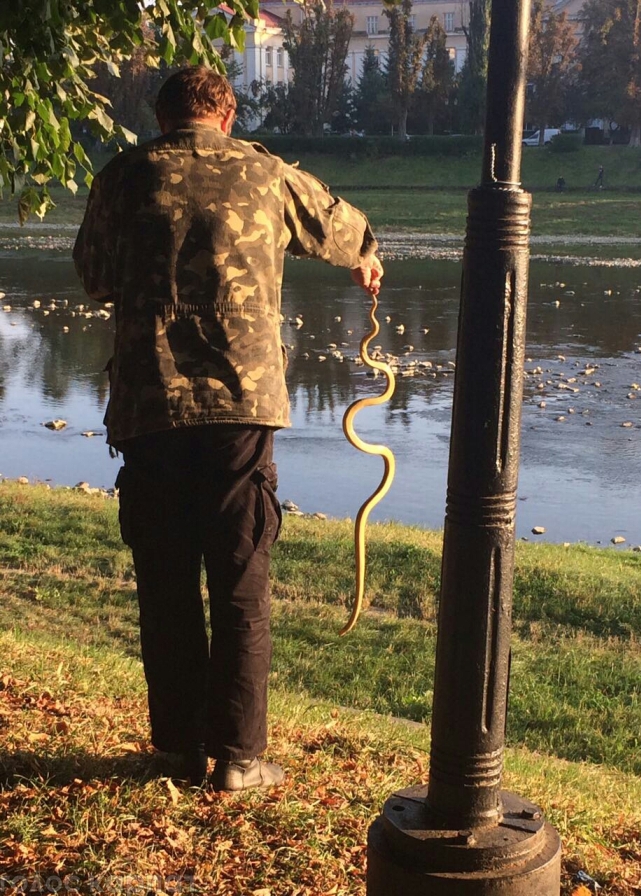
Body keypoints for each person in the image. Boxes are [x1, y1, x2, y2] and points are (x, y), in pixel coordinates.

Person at [72, 65, 383, 792]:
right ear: (229, 115)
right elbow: (345, 229)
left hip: (151, 406)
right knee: (241, 573)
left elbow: (95, 276)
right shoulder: (266, 173)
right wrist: (366, 260)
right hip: (242, 405)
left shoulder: (123, 176)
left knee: (166, 574)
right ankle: (241, 758)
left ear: (161, 117)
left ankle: (178, 749)